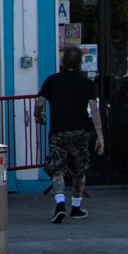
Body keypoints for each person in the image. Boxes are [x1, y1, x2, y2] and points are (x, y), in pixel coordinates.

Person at [38, 50, 103, 223]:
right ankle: (76, 207)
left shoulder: (52, 80)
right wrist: (100, 136)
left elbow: (40, 102)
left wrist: (39, 116)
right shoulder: (87, 84)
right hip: (80, 132)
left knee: (57, 169)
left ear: (63, 61)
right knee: (79, 170)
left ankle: (60, 203)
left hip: (58, 131)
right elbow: (94, 110)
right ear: (80, 63)